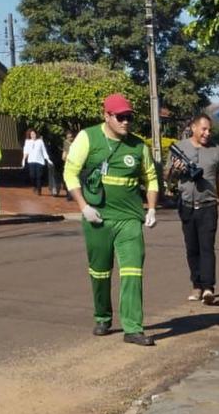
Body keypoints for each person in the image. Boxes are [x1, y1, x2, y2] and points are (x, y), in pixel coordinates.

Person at [62, 93, 158, 346]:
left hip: (129, 219)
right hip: (98, 218)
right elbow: (70, 173)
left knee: (132, 271)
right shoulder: (88, 137)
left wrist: (151, 209)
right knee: (100, 272)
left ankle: (133, 328)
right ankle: (103, 316)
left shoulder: (139, 147)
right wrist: (83, 206)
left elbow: (151, 178)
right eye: (121, 117)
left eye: (129, 117)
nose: (126, 122)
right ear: (106, 116)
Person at [165, 113, 219, 305]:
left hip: (208, 206)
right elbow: (168, 177)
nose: (207, 133)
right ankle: (197, 286)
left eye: (209, 130)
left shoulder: (216, 150)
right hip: (186, 206)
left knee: (207, 248)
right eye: (204, 129)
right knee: (192, 249)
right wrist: (174, 170)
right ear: (193, 128)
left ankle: (209, 288)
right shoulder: (179, 148)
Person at [22, 128, 52, 196]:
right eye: (31, 134)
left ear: (36, 134)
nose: (33, 135)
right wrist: (23, 159)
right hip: (31, 161)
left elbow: (44, 151)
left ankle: (39, 190)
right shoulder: (27, 141)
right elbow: (26, 151)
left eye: (34, 134)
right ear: (29, 135)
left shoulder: (40, 141)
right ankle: (34, 186)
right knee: (32, 175)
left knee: (39, 176)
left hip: (40, 161)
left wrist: (48, 159)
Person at [62, 130, 76, 200]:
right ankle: (68, 194)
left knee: (74, 179)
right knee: (67, 179)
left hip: (75, 162)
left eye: (71, 136)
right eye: (68, 136)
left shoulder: (76, 142)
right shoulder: (65, 142)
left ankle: (72, 194)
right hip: (68, 162)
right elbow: (65, 151)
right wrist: (64, 156)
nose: (70, 138)